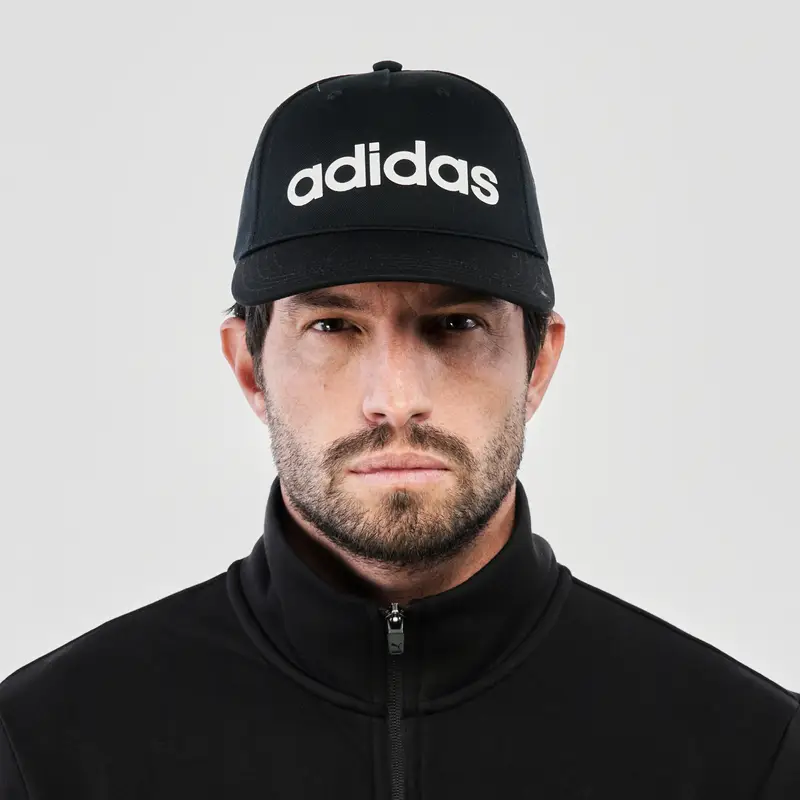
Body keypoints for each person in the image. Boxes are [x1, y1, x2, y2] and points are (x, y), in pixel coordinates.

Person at [0, 59, 797, 799]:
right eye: (333, 327)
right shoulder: (45, 751)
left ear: (539, 363)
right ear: (249, 368)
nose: (396, 398)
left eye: (455, 324)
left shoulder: (749, 757)